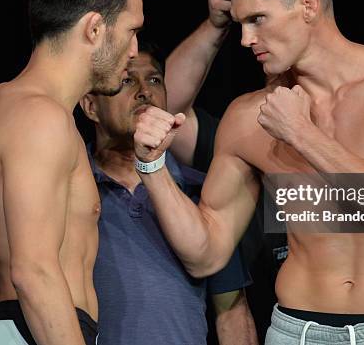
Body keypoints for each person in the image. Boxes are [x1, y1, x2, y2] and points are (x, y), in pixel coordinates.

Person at [132, 0, 364, 345]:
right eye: (240, 24)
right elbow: (206, 254)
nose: (246, 39)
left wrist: (301, 133)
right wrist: (152, 167)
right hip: (296, 332)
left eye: (258, 19)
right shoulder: (248, 116)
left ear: (308, 5)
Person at [0, 0, 146, 345]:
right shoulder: (40, 118)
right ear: (94, 28)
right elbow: (34, 272)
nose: (134, 51)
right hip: (35, 330)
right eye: (131, 31)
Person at [79, 44, 257, 345]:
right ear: (90, 106)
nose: (143, 92)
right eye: (126, 80)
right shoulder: (70, 190)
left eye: (154, 80)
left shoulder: (203, 193)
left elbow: (231, 313)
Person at [164, 0, 288, 343]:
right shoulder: (235, 136)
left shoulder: (354, 127)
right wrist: (217, 23)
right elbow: (161, 111)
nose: (250, 40)